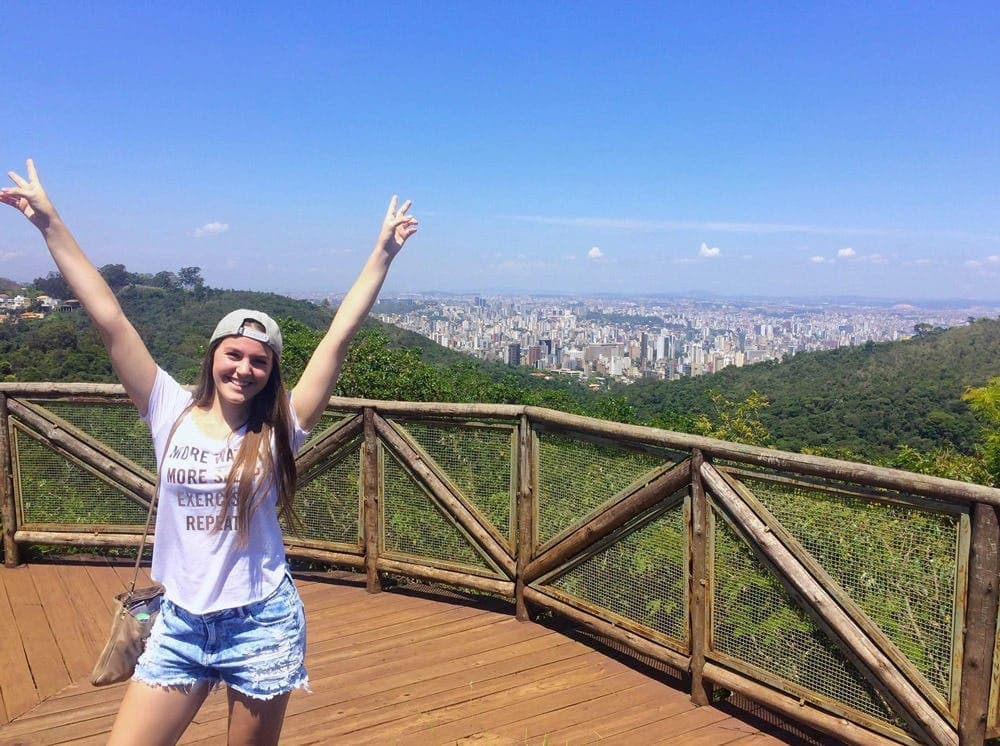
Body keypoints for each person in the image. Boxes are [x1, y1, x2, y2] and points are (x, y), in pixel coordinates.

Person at [1, 159, 417, 745]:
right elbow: (111, 320)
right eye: (234, 354)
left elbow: (337, 337)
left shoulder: (281, 426)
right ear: (213, 356)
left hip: (260, 621)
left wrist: (383, 253)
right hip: (178, 622)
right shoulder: (166, 407)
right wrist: (50, 224)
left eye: (259, 360)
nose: (244, 368)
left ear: (271, 372)